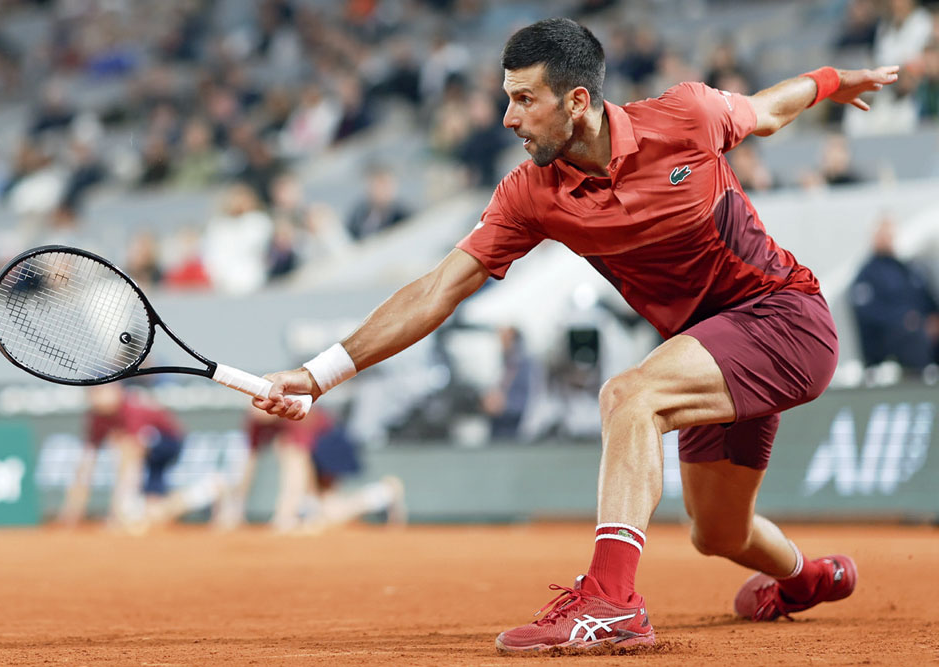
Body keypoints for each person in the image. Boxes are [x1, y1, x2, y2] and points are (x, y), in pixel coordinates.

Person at [252, 18, 898, 654]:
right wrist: (318, 374)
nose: (508, 118)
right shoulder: (532, 194)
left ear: (577, 101)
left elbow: (767, 110)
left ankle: (611, 602)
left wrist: (833, 78)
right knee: (718, 531)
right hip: (710, 345)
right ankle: (807, 578)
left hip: (785, 316)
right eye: (508, 97)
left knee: (630, 395)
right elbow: (436, 289)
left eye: (524, 99)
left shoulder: (687, 116)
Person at [59, 384, 225, 532]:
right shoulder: (97, 417)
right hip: (148, 455)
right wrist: (72, 510)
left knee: (124, 447)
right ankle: (207, 489)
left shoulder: (131, 408)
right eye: (94, 392)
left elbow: (132, 457)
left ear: (116, 389)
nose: (98, 396)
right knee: (153, 511)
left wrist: (118, 509)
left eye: (102, 390)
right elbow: (86, 463)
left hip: (167, 443)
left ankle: (207, 488)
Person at [214, 406, 405, 533]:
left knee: (324, 514)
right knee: (331, 513)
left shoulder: (290, 411)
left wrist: (286, 515)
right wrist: (235, 508)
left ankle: (304, 512)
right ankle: (385, 493)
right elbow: (250, 461)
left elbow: (299, 464)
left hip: (330, 445)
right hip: (314, 452)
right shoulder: (255, 419)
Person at [849, 216, 939, 373]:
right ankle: (919, 389)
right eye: (882, 234)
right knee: (913, 335)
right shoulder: (867, 274)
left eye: (890, 234)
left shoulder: (909, 269)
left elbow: (927, 300)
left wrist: (932, 319)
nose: (887, 239)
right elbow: (868, 311)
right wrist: (906, 319)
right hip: (889, 338)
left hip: (920, 328)